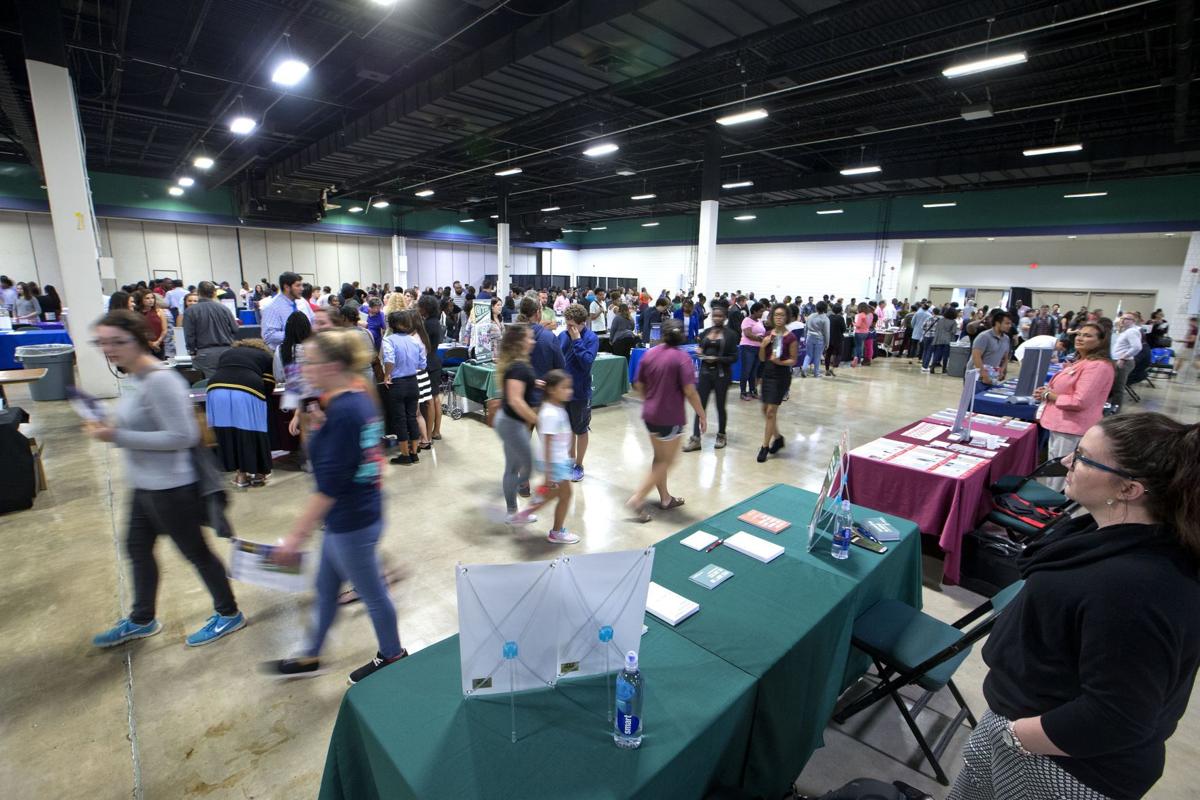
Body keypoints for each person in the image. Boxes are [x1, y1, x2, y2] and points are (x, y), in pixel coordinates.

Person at [947, 412, 1200, 800]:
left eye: (1082, 457)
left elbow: (1118, 716)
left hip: (1060, 766)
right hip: (1027, 726)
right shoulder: (1110, 534)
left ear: (1129, 489)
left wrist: (1016, 736)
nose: (1067, 461)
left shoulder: (1135, 587)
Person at [87, 311, 244, 649]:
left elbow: (182, 436)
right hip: (145, 485)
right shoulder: (136, 378)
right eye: (103, 343)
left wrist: (117, 436)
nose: (109, 349)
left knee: (196, 553)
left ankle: (228, 612)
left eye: (117, 341)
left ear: (138, 339)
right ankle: (142, 618)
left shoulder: (161, 381)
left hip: (172, 487)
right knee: (136, 548)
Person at [266, 329, 407, 684]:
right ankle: (311, 654)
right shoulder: (356, 396)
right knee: (327, 588)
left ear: (331, 366)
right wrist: (318, 428)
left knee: (373, 594)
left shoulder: (345, 411)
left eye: (310, 362)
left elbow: (328, 487)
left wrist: (294, 539)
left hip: (352, 520)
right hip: (352, 514)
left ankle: (393, 655)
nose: (303, 369)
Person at [627, 319, 705, 522]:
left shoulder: (649, 354)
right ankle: (637, 498)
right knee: (667, 461)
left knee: (659, 458)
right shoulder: (682, 358)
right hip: (670, 418)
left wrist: (650, 400)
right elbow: (690, 391)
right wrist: (702, 414)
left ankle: (665, 498)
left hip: (650, 415)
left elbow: (638, 384)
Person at [1034, 322, 1115, 492]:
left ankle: (1056, 505)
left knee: (1061, 476)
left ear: (1101, 341)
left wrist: (1049, 396)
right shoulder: (1083, 361)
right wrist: (1048, 391)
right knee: (1055, 472)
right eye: (1079, 334)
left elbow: (1079, 401)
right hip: (1061, 424)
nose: (1080, 338)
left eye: (1088, 335)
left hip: (1072, 427)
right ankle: (1052, 503)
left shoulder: (1098, 366)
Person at [207, 339, 275, 488]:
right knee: (252, 431)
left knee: (228, 432)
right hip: (248, 388)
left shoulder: (227, 353)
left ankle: (240, 477)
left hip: (215, 388)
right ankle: (259, 475)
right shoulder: (265, 356)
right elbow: (269, 383)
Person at [495, 324, 540, 523]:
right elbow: (515, 400)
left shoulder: (517, 364)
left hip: (509, 422)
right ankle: (511, 511)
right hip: (511, 424)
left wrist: (535, 383)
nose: (533, 341)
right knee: (528, 467)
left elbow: (516, 387)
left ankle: (512, 512)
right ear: (519, 342)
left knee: (515, 467)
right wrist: (536, 420)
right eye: (529, 338)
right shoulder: (519, 367)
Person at [682, 303, 738, 452]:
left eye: (720, 316)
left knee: (720, 406)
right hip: (705, 373)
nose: (717, 318)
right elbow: (701, 348)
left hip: (722, 374)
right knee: (699, 406)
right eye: (715, 316)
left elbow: (734, 357)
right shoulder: (706, 332)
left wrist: (717, 359)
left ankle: (721, 435)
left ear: (725, 317)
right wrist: (699, 351)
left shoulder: (731, 335)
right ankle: (695, 439)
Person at [536, 370, 578, 544]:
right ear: (552, 390)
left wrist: (570, 456)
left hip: (559, 460)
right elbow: (546, 444)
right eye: (564, 387)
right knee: (566, 495)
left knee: (551, 493)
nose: (569, 391)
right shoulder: (550, 413)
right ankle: (556, 532)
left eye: (570, 387)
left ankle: (528, 509)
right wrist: (548, 474)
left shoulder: (557, 408)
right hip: (554, 462)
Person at [558, 303, 599, 482]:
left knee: (580, 429)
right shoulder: (562, 336)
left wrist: (577, 341)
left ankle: (579, 465)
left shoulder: (591, 338)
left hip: (580, 393)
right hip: (562, 393)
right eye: (567, 324)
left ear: (582, 323)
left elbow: (587, 362)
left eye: (572, 325)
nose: (569, 328)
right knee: (568, 430)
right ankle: (569, 461)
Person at [381, 311, 426, 466]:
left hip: (397, 384)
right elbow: (422, 364)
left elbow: (389, 360)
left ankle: (405, 455)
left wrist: (387, 375)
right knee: (412, 417)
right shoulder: (415, 340)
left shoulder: (388, 340)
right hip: (413, 382)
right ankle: (414, 453)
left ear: (391, 324)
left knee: (400, 420)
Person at [757, 303, 799, 463]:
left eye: (782, 315)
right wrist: (763, 346)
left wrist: (780, 362)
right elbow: (762, 358)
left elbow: (793, 360)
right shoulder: (768, 334)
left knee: (770, 412)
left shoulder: (791, 337)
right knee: (764, 410)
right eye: (776, 315)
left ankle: (764, 447)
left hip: (781, 376)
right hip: (767, 374)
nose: (779, 318)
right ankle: (778, 438)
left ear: (786, 317)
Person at [273, 311, 315, 445]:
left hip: (292, 394)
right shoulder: (315, 349)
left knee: (301, 429)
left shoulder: (281, 350)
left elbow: (278, 376)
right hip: (313, 394)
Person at [416, 294, 445, 442]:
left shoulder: (428, 324)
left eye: (420, 306)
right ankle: (436, 431)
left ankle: (429, 433)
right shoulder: (436, 322)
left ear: (425, 308)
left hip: (429, 362)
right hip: (435, 361)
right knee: (435, 398)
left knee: (430, 400)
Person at [262, 272, 314, 350]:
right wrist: (295, 334)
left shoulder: (302, 301)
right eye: (298, 285)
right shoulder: (272, 307)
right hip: (284, 352)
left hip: (304, 350)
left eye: (301, 285)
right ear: (287, 287)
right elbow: (269, 336)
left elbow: (313, 320)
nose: (302, 288)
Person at [1109, 313, 1143, 407]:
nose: (1123, 320)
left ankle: (1115, 409)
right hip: (1118, 360)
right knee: (1114, 386)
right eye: (1122, 318)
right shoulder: (1126, 331)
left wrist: (1123, 357)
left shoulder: (1132, 331)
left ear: (1133, 321)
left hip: (1123, 362)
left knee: (1118, 387)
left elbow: (1137, 347)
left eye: (1126, 319)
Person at [971, 309, 1013, 385]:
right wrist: (984, 376)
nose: (1009, 326)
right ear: (997, 323)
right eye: (1007, 323)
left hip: (992, 377)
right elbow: (976, 357)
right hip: (977, 377)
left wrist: (1002, 370)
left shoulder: (1006, 338)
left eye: (1010, 323)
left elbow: (1005, 358)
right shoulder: (984, 336)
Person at [738, 302, 766, 399]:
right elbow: (748, 334)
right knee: (746, 370)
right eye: (760, 311)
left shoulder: (759, 321)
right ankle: (743, 392)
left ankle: (753, 390)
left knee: (754, 371)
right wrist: (760, 338)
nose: (762, 313)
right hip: (748, 347)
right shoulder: (747, 320)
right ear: (754, 311)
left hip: (758, 348)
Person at [134, 289, 168, 358]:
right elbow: (137, 331)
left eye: (152, 298)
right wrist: (150, 343)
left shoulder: (159, 311)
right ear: (141, 300)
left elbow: (164, 330)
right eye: (147, 298)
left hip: (159, 344)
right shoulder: (137, 314)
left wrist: (158, 342)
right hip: (143, 346)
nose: (151, 300)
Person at [923, 307, 958, 374]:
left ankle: (932, 367)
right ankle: (944, 369)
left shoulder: (940, 320)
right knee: (945, 355)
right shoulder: (953, 322)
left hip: (939, 339)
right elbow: (954, 331)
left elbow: (937, 329)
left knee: (937, 354)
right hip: (948, 340)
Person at [803, 300, 830, 378]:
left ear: (816, 308)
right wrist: (827, 343)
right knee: (817, 357)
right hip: (819, 339)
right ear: (825, 309)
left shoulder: (811, 316)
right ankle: (816, 373)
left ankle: (804, 370)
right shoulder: (825, 319)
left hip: (809, 337)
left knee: (808, 355)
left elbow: (806, 328)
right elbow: (827, 332)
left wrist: (805, 338)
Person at [852, 302, 871, 367]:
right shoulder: (866, 315)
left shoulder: (860, 315)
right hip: (865, 333)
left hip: (859, 332)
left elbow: (858, 325)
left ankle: (857, 360)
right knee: (861, 346)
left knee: (858, 347)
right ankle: (859, 359)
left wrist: (853, 323)